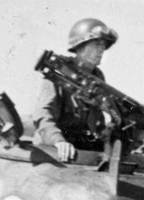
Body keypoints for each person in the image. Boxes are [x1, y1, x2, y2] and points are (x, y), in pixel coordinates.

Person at [32, 17, 120, 162]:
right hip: (54, 152)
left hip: (81, 152)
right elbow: (43, 115)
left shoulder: (97, 78)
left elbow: (96, 119)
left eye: (103, 45)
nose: (101, 50)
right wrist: (58, 141)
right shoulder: (59, 73)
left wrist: (106, 134)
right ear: (80, 46)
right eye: (97, 44)